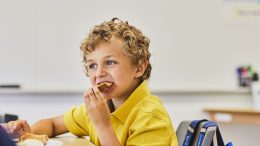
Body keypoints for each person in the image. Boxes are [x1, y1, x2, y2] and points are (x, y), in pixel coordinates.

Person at [1, 18, 178, 146]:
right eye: (92, 65)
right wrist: (28, 133)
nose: (99, 73)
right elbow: (53, 125)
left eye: (110, 62)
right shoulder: (101, 107)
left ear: (139, 68)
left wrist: (102, 124)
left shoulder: (151, 118)